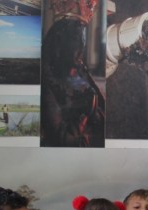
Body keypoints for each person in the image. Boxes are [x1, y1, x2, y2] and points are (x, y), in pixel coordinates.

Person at [41, 3, 104, 147]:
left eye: (82, 40)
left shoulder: (80, 74)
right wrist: (85, 115)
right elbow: (63, 140)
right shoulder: (47, 85)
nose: (81, 47)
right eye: (76, 40)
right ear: (61, 44)